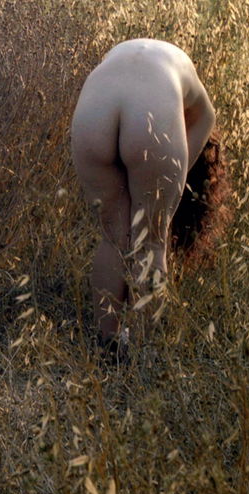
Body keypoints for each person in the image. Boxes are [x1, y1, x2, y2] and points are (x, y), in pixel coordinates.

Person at [69, 38, 227, 347]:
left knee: (113, 237)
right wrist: (177, 176)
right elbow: (207, 118)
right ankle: (145, 352)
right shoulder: (187, 78)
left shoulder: (129, 52)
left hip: (92, 114)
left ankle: (108, 342)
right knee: (151, 241)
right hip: (151, 115)